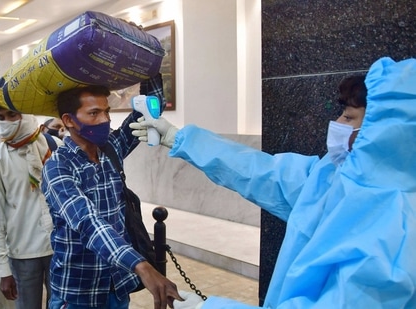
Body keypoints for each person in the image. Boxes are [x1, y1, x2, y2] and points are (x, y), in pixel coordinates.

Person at [131, 57, 416, 308]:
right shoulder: (336, 176)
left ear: (385, 137)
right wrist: (179, 139)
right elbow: (263, 172)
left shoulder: (395, 233)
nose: (338, 122)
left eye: (349, 116)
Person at [41, 81, 181, 309]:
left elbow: (149, 109)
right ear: (68, 120)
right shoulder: (58, 167)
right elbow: (89, 222)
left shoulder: (111, 148)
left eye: (107, 111)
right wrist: (143, 266)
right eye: (94, 113)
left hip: (117, 285)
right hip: (79, 291)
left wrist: (150, 68)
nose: (105, 120)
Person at [0, 104, 54, 309]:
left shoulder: (53, 146)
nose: (6, 122)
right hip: (23, 253)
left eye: (12, 114)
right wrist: (3, 270)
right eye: (1, 117)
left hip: (58, 248)